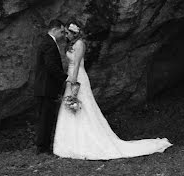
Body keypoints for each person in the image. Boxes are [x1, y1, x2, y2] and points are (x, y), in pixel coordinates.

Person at [52, 21, 172, 159]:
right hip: (71, 75)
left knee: (82, 105)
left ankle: (86, 142)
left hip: (77, 76)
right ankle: (69, 143)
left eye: (67, 33)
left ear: (74, 33)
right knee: (70, 105)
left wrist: (73, 80)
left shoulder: (80, 44)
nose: (65, 35)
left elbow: (78, 63)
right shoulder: (71, 44)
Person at [33, 19, 67, 153]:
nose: (63, 35)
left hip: (45, 87)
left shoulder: (49, 41)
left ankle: (43, 145)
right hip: (46, 87)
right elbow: (51, 66)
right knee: (45, 118)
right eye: (62, 31)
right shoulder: (49, 43)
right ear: (55, 29)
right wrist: (64, 78)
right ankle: (42, 147)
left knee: (46, 117)